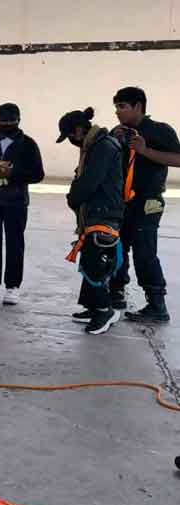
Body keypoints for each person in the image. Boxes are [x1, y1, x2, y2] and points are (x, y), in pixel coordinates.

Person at [108, 87, 180, 323]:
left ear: (138, 106)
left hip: (148, 200)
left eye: (122, 107)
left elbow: (178, 159)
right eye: (116, 107)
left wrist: (144, 150)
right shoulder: (119, 132)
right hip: (121, 201)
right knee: (117, 246)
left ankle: (156, 304)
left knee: (144, 250)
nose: (117, 112)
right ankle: (116, 292)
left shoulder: (159, 130)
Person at [58, 107, 126, 335]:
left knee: (94, 262)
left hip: (103, 213)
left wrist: (73, 198)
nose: (71, 142)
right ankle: (91, 305)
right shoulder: (95, 146)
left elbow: (89, 182)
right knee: (90, 258)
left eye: (69, 137)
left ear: (78, 131)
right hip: (95, 211)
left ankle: (103, 310)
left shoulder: (102, 147)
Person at [0, 103, 45, 305]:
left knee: (14, 243)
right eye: (3, 122)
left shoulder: (28, 144)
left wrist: (13, 173)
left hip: (15, 201)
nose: (6, 126)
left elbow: (38, 174)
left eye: (11, 123)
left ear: (19, 121)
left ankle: (12, 287)